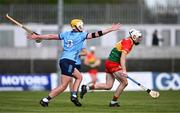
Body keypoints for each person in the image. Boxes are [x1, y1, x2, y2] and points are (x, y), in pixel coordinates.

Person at [27, 19, 121, 107]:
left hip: (64, 60)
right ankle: (45, 100)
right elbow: (97, 34)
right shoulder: (82, 35)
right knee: (63, 86)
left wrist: (38, 36)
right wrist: (111, 29)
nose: (82, 26)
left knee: (79, 77)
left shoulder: (66, 34)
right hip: (68, 62)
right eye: (80, 25)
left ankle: (74, 96)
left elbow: (50, 36)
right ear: (76, 26)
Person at [80, 28, 143, 107]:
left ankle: (87, 87)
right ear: (133, 37)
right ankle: (113, 102)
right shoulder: (128, 43)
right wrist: (124, 71)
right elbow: (122, 58)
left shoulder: (127, 41)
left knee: (108, 86)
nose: (139, 39)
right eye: (138, 37)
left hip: (109, 62)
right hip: (113, 63)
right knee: (124, 82)